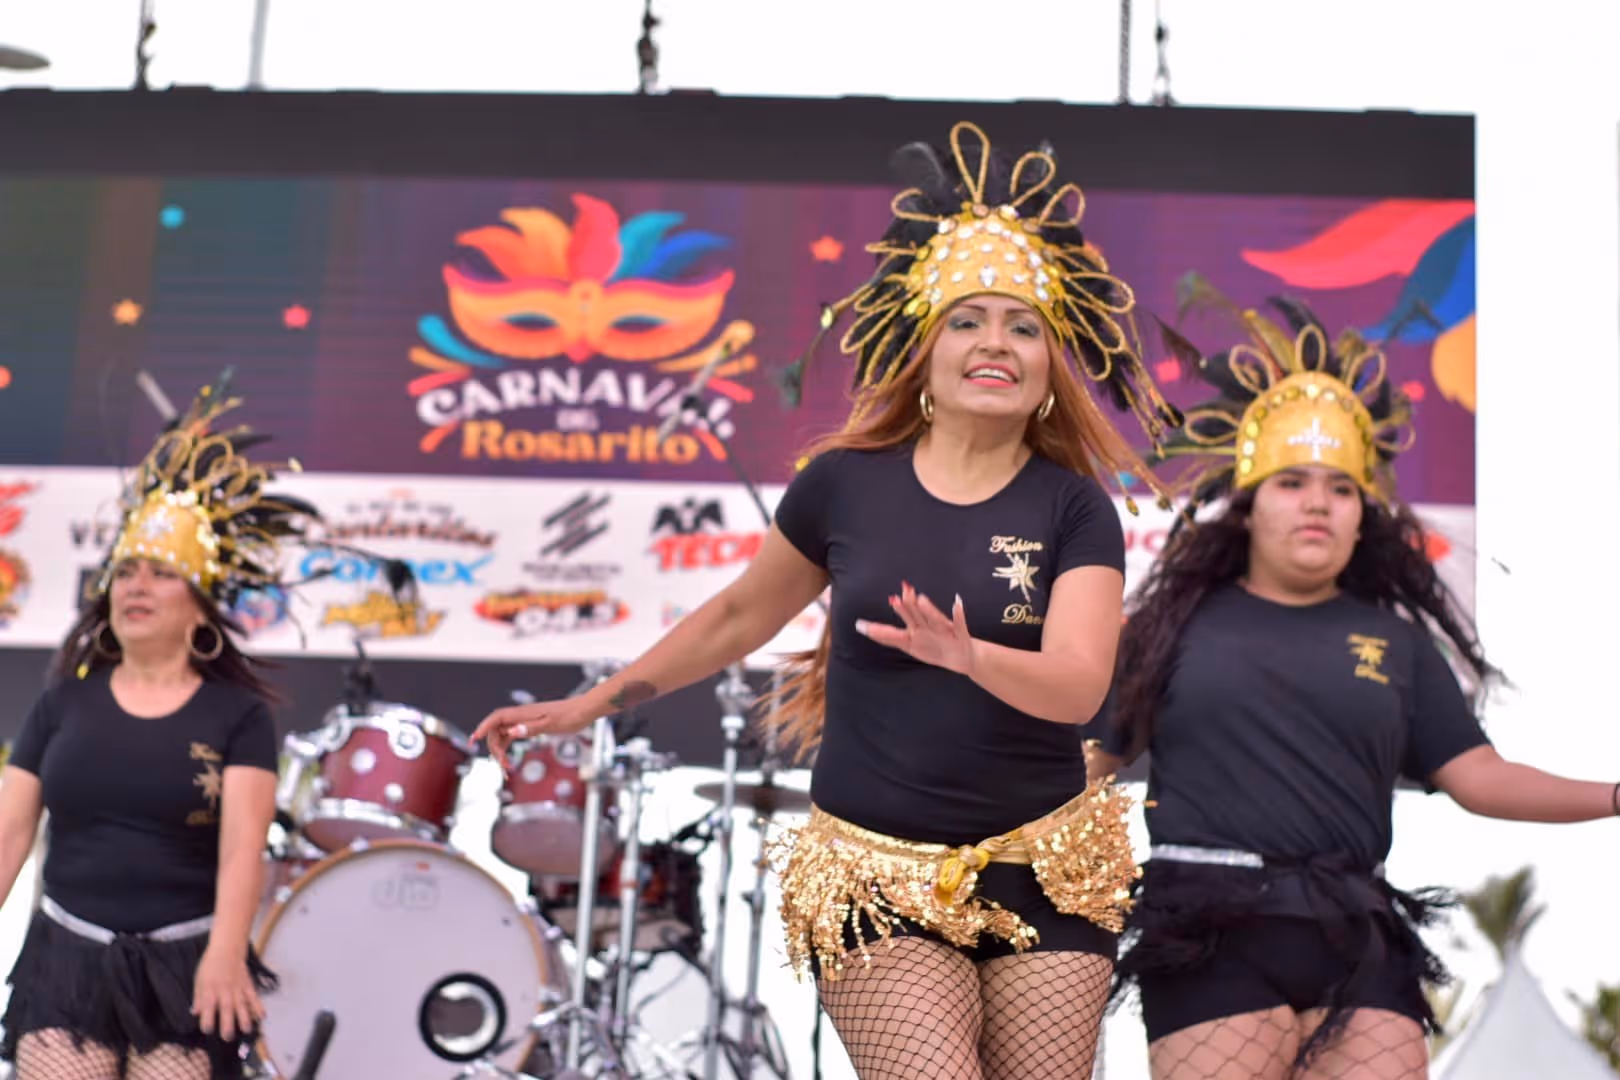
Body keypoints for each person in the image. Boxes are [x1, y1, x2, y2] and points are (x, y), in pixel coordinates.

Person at [473, 120, 1182, 1079]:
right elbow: (736, 616)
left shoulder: (1073, 508)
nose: (996, 342)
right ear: (924, 351)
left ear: (1050, 368)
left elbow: (1078, 686)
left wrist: (971, 656)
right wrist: (600, 700)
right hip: (874, 870)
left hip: (1045, 862)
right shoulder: (844, 483)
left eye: (1022, 327)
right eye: (967, 320)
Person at [1093, 286, 1620, 1080]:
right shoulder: (1172, 627)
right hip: (1208, 924)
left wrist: (1615, 796)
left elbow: (1479, 777)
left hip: (1356, 928)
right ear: (1248, 504)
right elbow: (1087, 764)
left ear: (1363, 514)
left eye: (1341, 489)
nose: (1319, 504)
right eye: (1293, 482)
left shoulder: (1398, 643)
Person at [0, 374, 319, 1080]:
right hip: (67, 957)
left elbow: (243, 851)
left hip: (187, 962)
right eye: (126, 572)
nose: (136, 586)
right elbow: (11, 831)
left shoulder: (237, 714)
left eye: (161, 574)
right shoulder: (62, 703)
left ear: (201, 608)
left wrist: (227, 952)